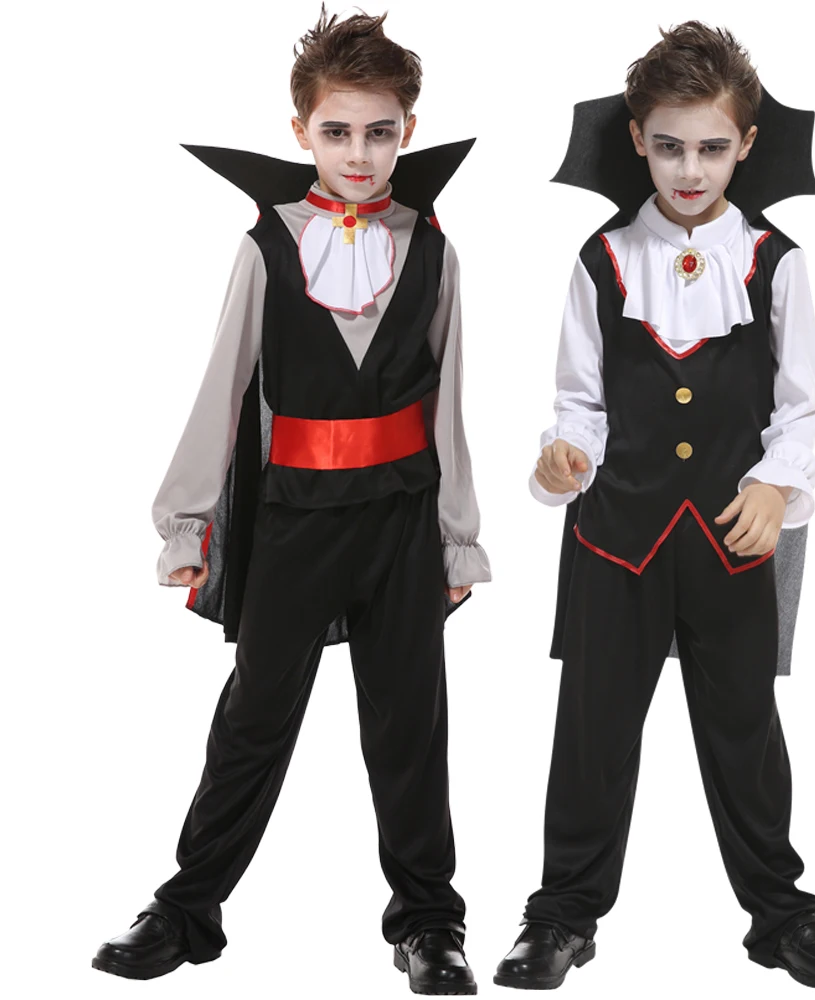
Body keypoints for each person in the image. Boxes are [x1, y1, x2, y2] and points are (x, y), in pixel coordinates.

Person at [91, 9, 486, 994]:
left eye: (381, 132)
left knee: (409, 725)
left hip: (402, 518)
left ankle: (429, 923)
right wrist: (186, 524)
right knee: (255, 718)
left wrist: (458, 541)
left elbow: (449, 405)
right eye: (337, 131)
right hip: (294, 520)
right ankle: (187, 907)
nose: (359, 153)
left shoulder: (435, 250)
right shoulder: (266, 245)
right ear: (301, 130)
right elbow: (223, 386)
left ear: (408, 130)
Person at [493, 21, 815, 991]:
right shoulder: (603, 258)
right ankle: (561, 914)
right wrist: (563, 458)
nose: (689, 169)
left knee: (744, 732)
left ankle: (781, 914)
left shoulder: (776, 261)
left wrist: (775, 481)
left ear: (746, 144)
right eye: (668, 146)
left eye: (710, 147)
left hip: (731, 538)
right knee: (592, 731)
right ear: (636, 140)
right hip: (615, 537)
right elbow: (577, 400)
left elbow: (804, 404)